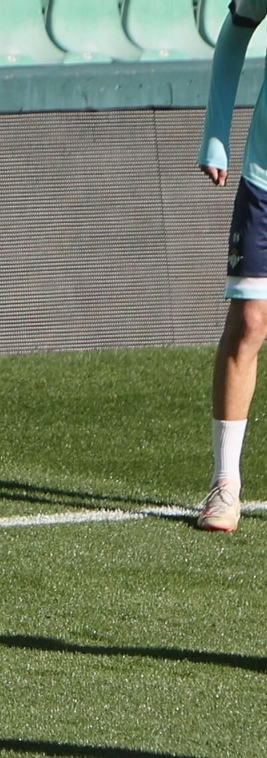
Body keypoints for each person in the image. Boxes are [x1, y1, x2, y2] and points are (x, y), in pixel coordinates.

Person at [197, 0, 267, 531]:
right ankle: (225, 484)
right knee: (248, 323)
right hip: (265, 182)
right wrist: (216, 134)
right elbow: (236, 32)